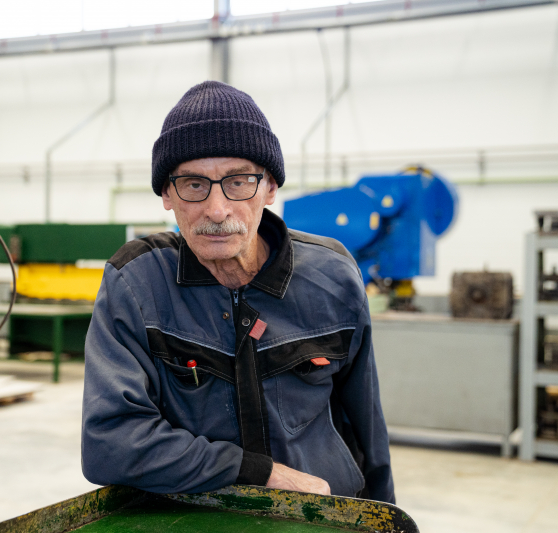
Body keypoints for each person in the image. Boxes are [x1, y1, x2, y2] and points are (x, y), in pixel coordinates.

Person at [81, 81, 394, 503]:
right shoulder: (137, 283)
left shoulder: (333, 277)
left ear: (270, 188)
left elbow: (367, 432)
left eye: (239, 181)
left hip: (319, 517)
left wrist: (385, 520)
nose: (217, 210)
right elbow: (109, 443)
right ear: (167, 194)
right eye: (194, 184)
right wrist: (257, 473)